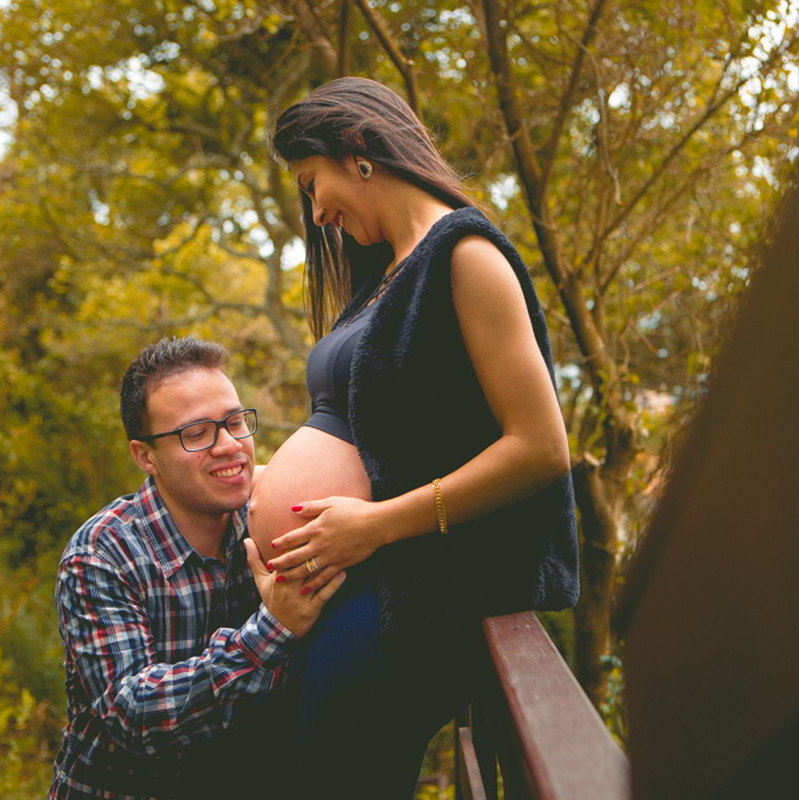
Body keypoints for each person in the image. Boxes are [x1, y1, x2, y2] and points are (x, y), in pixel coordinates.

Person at [245, 76, 580, 797]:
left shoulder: (465, 257)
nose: (317, 212)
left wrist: (372, 525)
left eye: (312, 184)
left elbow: (542, 447)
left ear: (357, 150)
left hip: (412, 594)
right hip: (348, 583)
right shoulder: (384, 278)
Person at [50, 336, 345, 800]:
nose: (228, 446)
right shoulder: (102, 552)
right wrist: (273, 630)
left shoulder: (267, 520)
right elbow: (133, 716)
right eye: (196, 433)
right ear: (145, 456)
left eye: (234, 423)